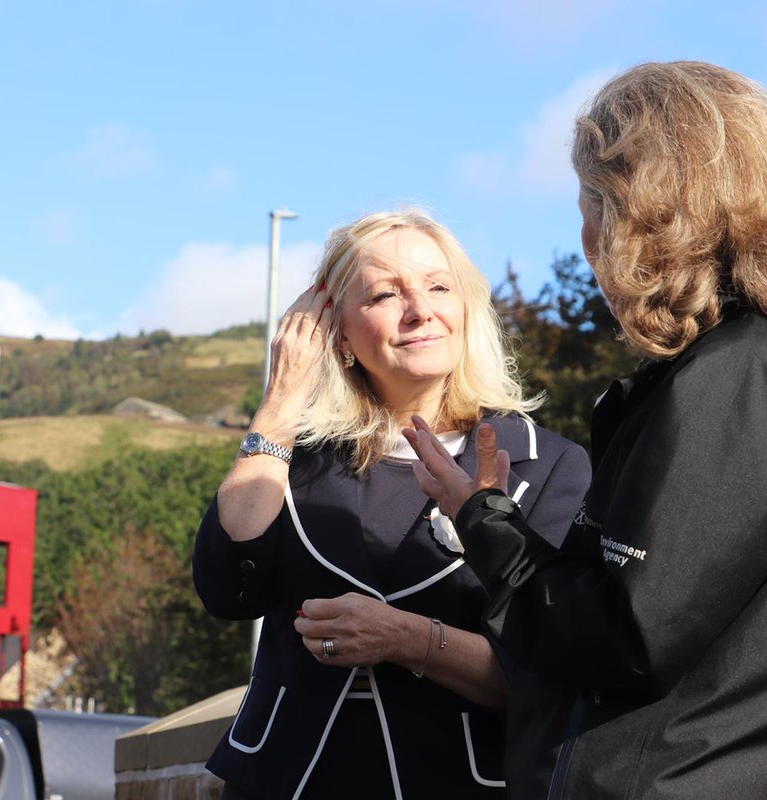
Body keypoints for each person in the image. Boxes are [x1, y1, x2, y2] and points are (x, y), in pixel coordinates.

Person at [408, 61, 767, 800]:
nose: (587, 233)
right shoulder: (744, 370)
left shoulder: (745, 376)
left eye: (592, 200)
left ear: (650, 210)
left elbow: (626, 637)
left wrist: (484, 521)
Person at [192, 208, 591, 800]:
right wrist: (279, 402)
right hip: (284, 783)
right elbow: (228, 590)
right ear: (338, 331)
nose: (420, 310)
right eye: (385, 294)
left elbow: (553, 670)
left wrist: (408, 639)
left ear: (466, 308)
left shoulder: (550, 464)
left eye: (438, 286)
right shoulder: (290, 456)